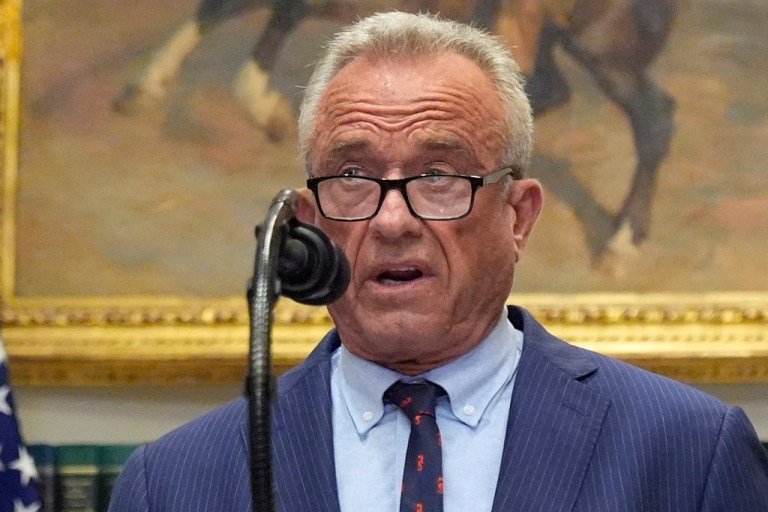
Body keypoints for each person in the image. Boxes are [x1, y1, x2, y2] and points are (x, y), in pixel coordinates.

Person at [109, 11, 768, 512]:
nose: (393, 221)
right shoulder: (171, 483)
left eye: (439, 176)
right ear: (309, 224)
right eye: (353, 177)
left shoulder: (689, 453)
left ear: (519, 217)